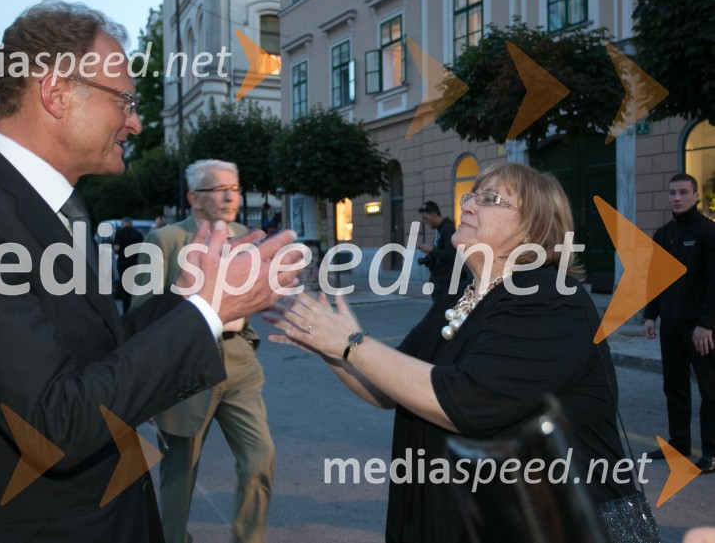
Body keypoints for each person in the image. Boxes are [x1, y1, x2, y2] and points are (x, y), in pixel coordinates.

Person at [0, 0, 298, 543]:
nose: (136, 120)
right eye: (123, 99)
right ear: (55, 92)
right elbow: (53, 424)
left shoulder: (65, 208)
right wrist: (206, 312)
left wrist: (186, 298)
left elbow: (96, 356)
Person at [267, 163, 643, 543]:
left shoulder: (552, 297)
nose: (468, 206)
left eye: (490, 199)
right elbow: (386, 387)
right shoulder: (460, 296)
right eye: (470, 196)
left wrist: (351, 343)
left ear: (535, 228)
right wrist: (327, 344)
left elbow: (466, 401)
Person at [134, 159, 274, 543]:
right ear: (194, 197)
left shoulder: (246, 235)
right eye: (220, 189)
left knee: (260, 456)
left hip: (240, 363)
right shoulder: (164, 242)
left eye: (235, 187)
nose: (231, 196)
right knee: (180, 473)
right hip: (186, 369)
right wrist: (148, 385)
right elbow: (142, 315)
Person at [643, 173, 715, 474]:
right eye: (672, 192)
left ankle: (711, 452)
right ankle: (679, 444)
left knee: (710, 390)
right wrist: (651, 314)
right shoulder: (664, 234)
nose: (677, 197)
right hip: (671, 324)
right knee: (674, 385)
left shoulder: (708, 233)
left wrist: (706, 324)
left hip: (700, 328)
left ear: (695, 196)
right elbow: (657, 278)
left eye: (683, 192)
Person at [416, 200, 457, 301]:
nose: (425, 221)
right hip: (439, 278)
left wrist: (430, 249)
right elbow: (440, 252)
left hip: (445, 280)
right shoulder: (440, 230)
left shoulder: (448, 229)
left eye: (426, 218)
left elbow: (452, 255)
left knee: (441, 313)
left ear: (433, 215)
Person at [113, 216, 144, 312]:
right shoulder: (138, 235)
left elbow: (116, 248)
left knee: (125, 288)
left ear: (123, 224)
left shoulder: (120, 233)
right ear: (131, 224)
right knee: (135, 288)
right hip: (136, 264)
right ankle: (134, 309)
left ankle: (126, 311)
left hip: (123, 264)